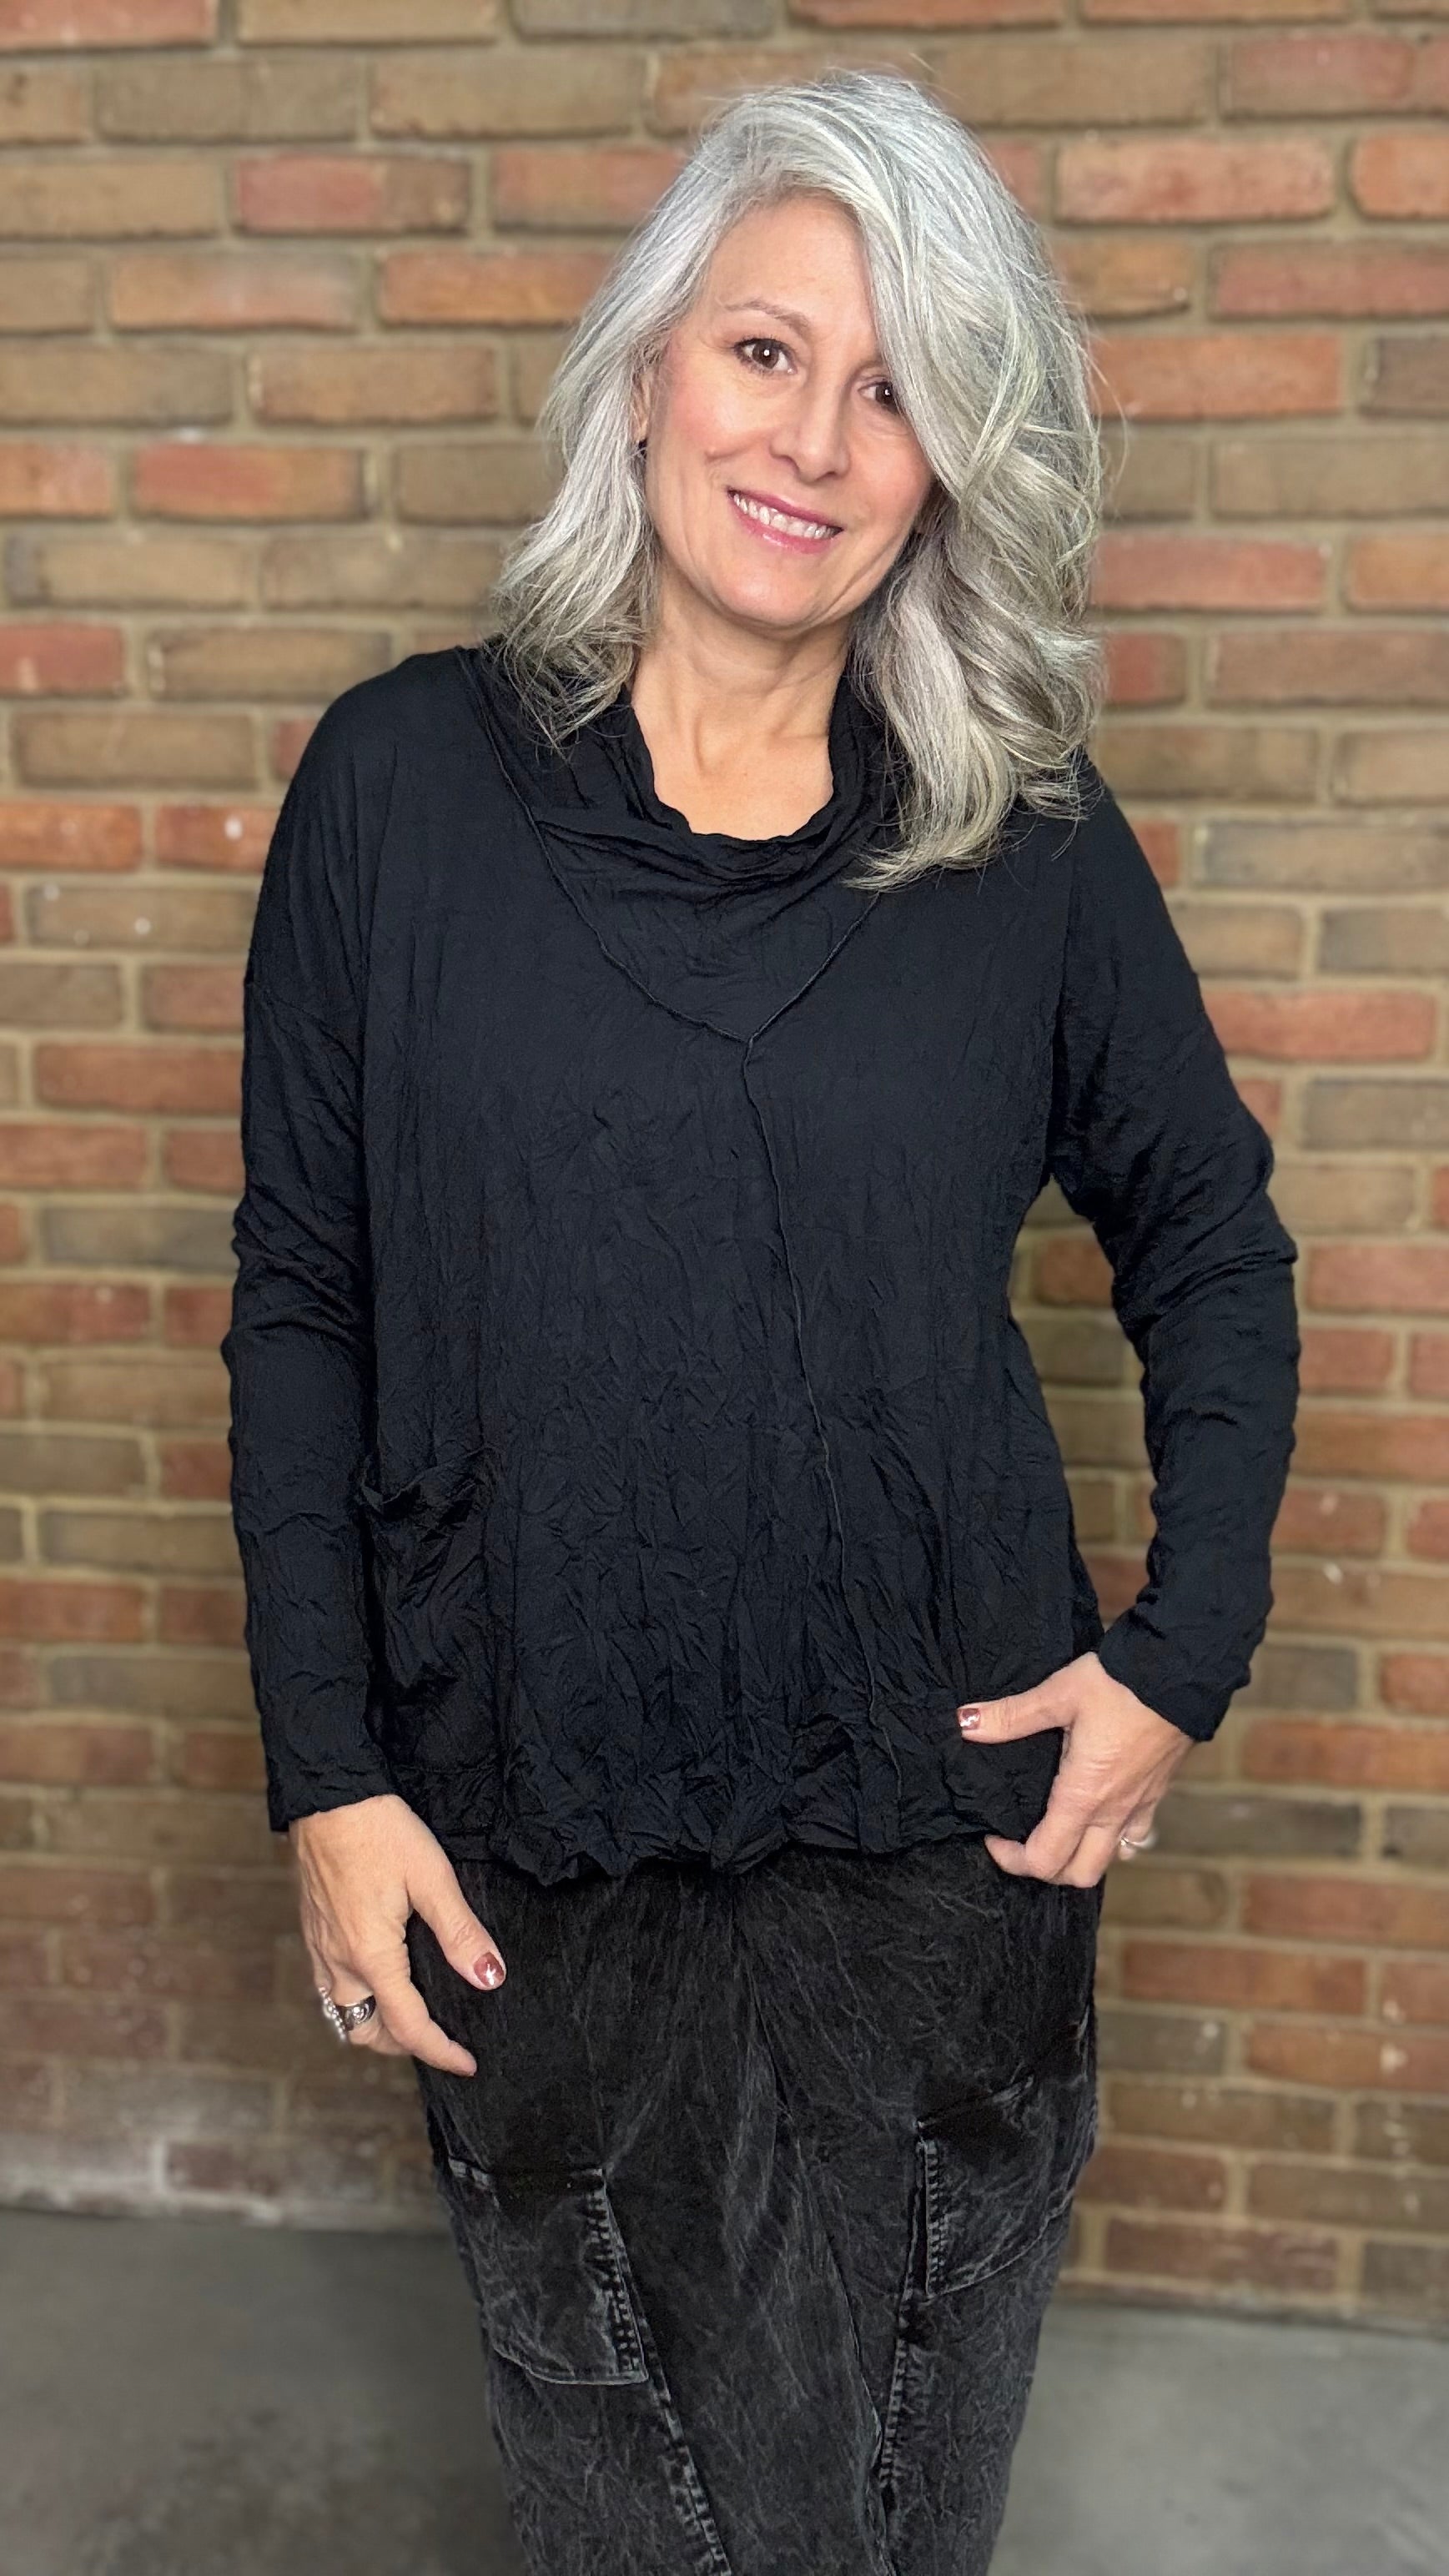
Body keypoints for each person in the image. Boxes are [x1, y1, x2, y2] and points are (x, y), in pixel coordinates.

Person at [220, 68, 1300, 2576]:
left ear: (948, 468)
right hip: (528, 1840)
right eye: (766, 351)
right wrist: (327, 1776)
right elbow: (304, 1299)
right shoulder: (397, 788)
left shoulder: (1021, 837)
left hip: (941, 1869)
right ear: (645, 372)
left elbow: (1212, 1244)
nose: (814, 440)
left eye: (897, 388)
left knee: (896, 2529)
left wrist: (1184, 1649)